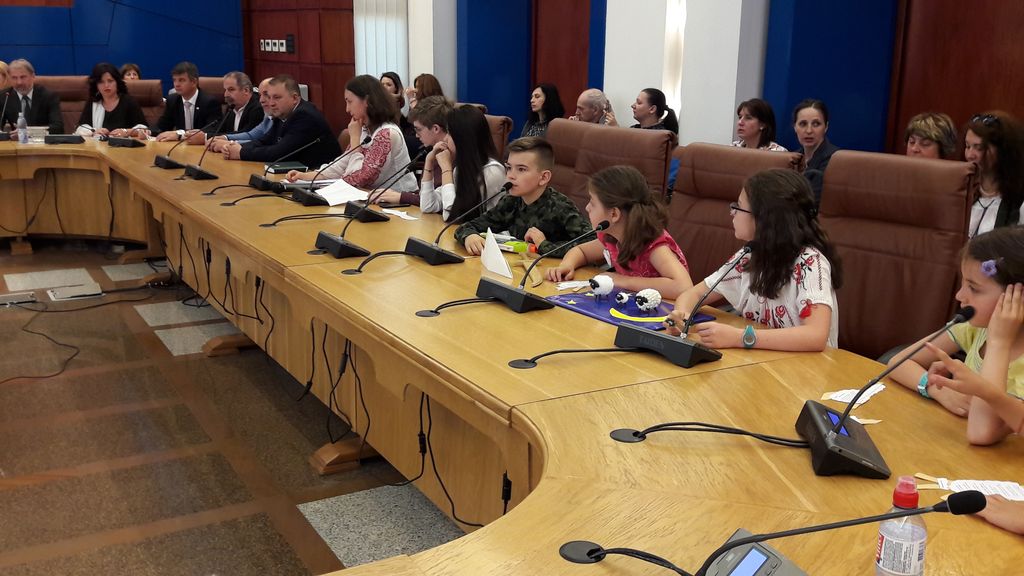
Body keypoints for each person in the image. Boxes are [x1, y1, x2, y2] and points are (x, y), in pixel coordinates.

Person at [665, 169, 843, 351]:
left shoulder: (810, 263)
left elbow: (815, 335)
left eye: (739, 206)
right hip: (763, 359)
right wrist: (681, 316)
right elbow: (693, 294)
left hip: (809, 365)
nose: (732, 212)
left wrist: (740, 337)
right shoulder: (749, 256)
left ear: (764, 218)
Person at [887, 227, 1024, 445]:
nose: (960, 296)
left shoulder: (999, 342)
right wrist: (937, 390)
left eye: (974, 288)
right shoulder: (975, 329)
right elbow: (897, 362)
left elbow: (981, 432)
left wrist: (999, 342)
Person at [546, 165, 693, 299]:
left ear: (614, 214)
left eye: (593, 203)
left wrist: (624, 281)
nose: (587, 208)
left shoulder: (654, 246)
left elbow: (683, 287)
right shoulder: (611, 236)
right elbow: (581, 252)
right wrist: (567, 265)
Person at [455, 137, 591, 257]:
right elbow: (468, 226)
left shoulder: (561, 207)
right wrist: (469, 236)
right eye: (509, 168)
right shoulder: (510, 201)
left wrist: (544, 245)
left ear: (544, 177)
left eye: (521, 169)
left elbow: (593, 243)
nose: (510, 176)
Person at [285, 74, 417, 192]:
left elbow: (358, 178)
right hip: (373, 200)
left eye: (350, 101)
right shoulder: (365, 129)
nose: (347, 109)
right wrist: (307, 176)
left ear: (367, 101)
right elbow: (341, 165)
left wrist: (354, 138)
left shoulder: (387, 133)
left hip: (401, 204)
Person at [220, 75, 341, 168]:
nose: (271, 103)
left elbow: (278, 153)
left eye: (277, 97)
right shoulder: (283, 113)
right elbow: (264, 141)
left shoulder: (305, 116)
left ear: (294, 98)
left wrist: (241, 152)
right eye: (270, 97)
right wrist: (235, 147)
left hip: (316, 177)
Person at [416, 105, 505, 221]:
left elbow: (453, 216)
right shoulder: (460, 169)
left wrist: (446, 169)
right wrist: (429, 161)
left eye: (450, 133)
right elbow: (428, 206)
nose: (445, 139)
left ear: (463, 138)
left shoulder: (492, 171)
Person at [963, 111, 1024, 237]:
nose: (970, 155)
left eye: (979, 148)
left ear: (1003, 151)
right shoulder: (962, 191)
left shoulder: (1018, 200)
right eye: (968, 146)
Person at [153, 61, 223, 143]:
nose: (176, 84)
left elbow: (212, 130)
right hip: (180, 147)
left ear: (194, 82)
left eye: (181, 80)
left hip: (202, 147)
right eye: (174, 80)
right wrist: (147, 132)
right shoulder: (173, 100)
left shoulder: (209, 102)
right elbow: (162, 126)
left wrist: (180, 134)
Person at [75, 62, 148, 137]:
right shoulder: (93, 102)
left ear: (117, 82)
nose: (106, 85)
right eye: (101, 82)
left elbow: (144, 129)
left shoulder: (129, 102)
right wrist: (94, 131)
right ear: (96, 85)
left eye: (110, 81)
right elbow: (81, 128)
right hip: (98, 143)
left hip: (124, 143)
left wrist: (126, 132)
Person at [793, 99, 839, 205]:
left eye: (816, 124)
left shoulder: (835, 160)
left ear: (826, 127)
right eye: (803, 124)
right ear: (795, 127)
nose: (809, 130)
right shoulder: (792, 158)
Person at [208, 78, 273, 153]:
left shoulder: (258, 109)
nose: (261, 100)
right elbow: (251, 135)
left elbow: (268, 144)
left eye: (266, 94)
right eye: (260, 95)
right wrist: (225, 138)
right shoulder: (269, 118)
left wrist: (230, 144)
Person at [2, 59, 64, 135]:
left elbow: (58, 128)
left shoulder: (48, 96)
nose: (19, 82)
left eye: (23, 77)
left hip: (42, 141)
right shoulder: (4, 97)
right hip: (15, 141)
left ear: (33, 76)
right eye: (14, 78)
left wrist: (28, 132)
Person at [380, 71, 422, 159]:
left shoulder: (397, 101)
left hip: (399, 132)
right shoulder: (375, 102)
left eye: (388, 85)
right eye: (382, 84)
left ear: (396, 88)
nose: (384, 87)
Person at [221, 71, 263, 135]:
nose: (226, 94)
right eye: (225, 90)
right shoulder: (231, 108)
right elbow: (219, 129)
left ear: (246, 90)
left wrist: (223, 137)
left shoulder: (258, 108)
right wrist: (205, 134)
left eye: (231, 89)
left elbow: (247, 134)